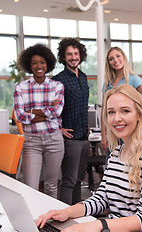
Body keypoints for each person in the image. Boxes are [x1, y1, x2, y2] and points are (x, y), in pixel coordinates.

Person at [36, 84, 142, 232]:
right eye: (111, 112)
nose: (116, 118)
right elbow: (103, 197)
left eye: (125, 111)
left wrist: (98, 225)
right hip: (118, 230)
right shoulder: (117, 151)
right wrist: (67, 212)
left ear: (139, 115)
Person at [14, 43, 64, 199]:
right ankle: (34, 220)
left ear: (48, 64)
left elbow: (57, 112)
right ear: (29, 65)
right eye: (35, 63)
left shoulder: (57, 86)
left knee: (52, 185)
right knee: (31, 187)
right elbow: (19, 116)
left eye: (42, 62)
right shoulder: (20, 87)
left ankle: (52, 220)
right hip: (31, 142)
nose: (39, 66)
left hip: (54, 139)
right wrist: (47, 110)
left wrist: (31, 111)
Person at [52, 38, 90, 205]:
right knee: (68, 181)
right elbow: (49, 109)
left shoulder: (83, 77)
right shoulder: (57, 80)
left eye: (76, 53)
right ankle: (64, 217)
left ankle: (76, 217)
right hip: (70, 139)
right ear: (63, 57)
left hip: (84, 137)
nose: (73, 57)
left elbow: (84, 105)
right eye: (69, 54)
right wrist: (58, 129)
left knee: (79, 181)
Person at [101, 46, 142, 150]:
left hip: (131, 132)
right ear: (108, 63)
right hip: (113, 133)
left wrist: (140, 119)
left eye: (118, 56)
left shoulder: (133, 79)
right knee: (113, 164)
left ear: (123, 58)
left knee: (131, 162)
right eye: (111, 59)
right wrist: (103, 135)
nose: (115, 60)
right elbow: (104, 111)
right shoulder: (107, 84)